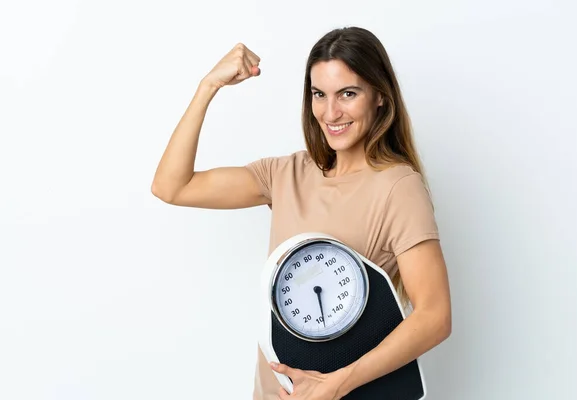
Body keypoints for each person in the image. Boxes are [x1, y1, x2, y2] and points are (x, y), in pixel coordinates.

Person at [152, 26, 452, 400]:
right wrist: (208, 86)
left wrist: (334, 387)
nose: (331, 112)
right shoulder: (286, 174)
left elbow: (435, 317)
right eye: (319, 94)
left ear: (379, 96)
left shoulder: (397, 187)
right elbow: (171, 186)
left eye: (348, 93)